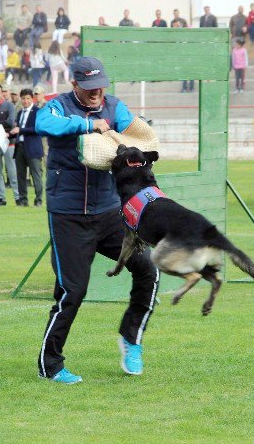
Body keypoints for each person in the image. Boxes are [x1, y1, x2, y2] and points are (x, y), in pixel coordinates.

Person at [35, 57, 160, 384]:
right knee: (72, 292)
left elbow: (134, 128)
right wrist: (89, 125)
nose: (96, 92)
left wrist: (143, 136)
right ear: (75, 84)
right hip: (69, 216)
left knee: (148, 267)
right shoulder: (58, 107)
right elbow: (43, 125)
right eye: (89, 87)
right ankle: (51, 364)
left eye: (100, 85)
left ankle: (131, 338)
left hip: (108, 215)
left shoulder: (114, 106)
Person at [10, 88, 43, 207]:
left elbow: (37, 129)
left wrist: (21, 130)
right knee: (21, 175)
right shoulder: (19, 113)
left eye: (28, 98)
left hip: (33, 148)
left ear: (32, 99)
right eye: (23, 98)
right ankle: (23, 199)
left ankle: (38, 200)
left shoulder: (38, 112)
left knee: (36, 175)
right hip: (20, 147)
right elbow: (18, 130)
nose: (25, 101)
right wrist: (9, 134)